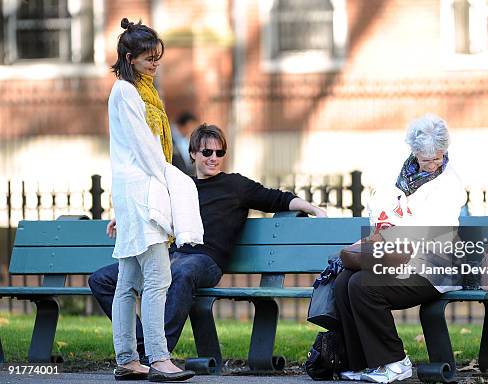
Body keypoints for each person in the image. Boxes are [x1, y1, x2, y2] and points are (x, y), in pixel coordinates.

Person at [89, 123, 327, 367]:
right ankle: (143, 344)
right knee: (101, 279)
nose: (214, 158)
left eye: (219, 153)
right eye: (207, 152)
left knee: (183, 272)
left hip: (206, 262)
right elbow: (153, 207)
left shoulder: (236, 186)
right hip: (170, 256)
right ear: (193, 153)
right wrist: (124, 217)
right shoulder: (180, 186)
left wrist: (313, 208)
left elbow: (278, 198)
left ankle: (156, 354)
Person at [334, 114, 466, 383]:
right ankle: (364, 363)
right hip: (397, 258)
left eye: (437, 158)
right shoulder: (400, 174)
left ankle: (395, 362)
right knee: (344, 281)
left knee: (363, 285)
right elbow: (380, 207)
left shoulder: (450, 184)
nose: (431, 165)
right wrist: (384, 223)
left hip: (431, 269)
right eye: (425, 158)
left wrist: (392, 227)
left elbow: (430, 230)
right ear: (414, 151)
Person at [107, 18, 198, 382]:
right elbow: (145, 150)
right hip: (144, 193)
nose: (155, 63)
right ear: (130, 58)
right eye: (149, 58)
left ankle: (128, 358)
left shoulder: (141, 91)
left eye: (157, 58)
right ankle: (159, 358)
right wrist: (171, 181)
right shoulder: (127, 93)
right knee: (158, 278)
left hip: (135, 194)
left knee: (128, 281)